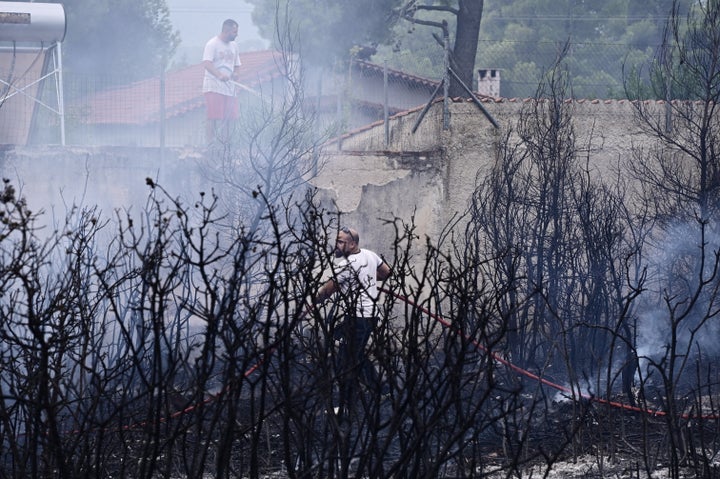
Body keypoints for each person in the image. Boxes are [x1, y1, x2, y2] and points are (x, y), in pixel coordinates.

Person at [315, 226, 392, 411]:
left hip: (359, 319)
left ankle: (345, 407)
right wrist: (365, 278)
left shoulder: (346, 266)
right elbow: (386, 273)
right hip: (367, 317)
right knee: (352, 354)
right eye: (337, 241)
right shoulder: (370, 255)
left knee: (347, 363)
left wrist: (313, 299)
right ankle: (382, 390)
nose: (337, 245)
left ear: (352, 244)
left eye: (341, 242)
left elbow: (326, 290)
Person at [202, 19, 242, 144]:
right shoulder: (212, 44)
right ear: (227, 31)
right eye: (234, 32)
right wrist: (219, 75)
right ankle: (211, 145)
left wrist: (236, 74)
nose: (236, 34)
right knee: (214, 117)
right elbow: (207, 63)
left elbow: (237, 64)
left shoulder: (234, 46)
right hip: (213, 87)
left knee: (230, 118)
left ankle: (226, 145)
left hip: (230, 89)